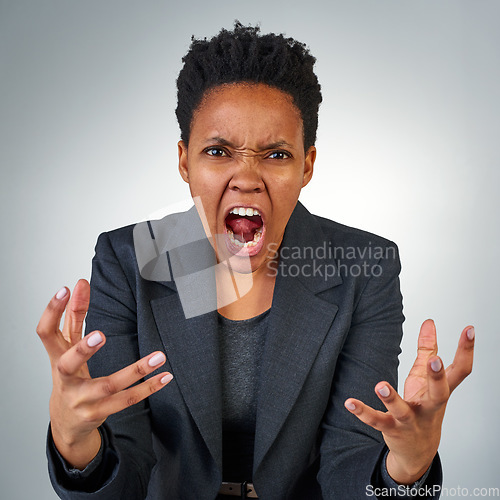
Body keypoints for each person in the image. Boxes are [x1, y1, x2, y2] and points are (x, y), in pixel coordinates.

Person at [37, 23, 474, 499]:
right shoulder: (129, 262)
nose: (246, 177)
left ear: (306, 165)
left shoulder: (363, 267)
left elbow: (351, 462)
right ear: (185, 161)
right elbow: (124, 473)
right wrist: (75, 442)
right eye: (218, 151)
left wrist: (407, 469)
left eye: (276, 154)